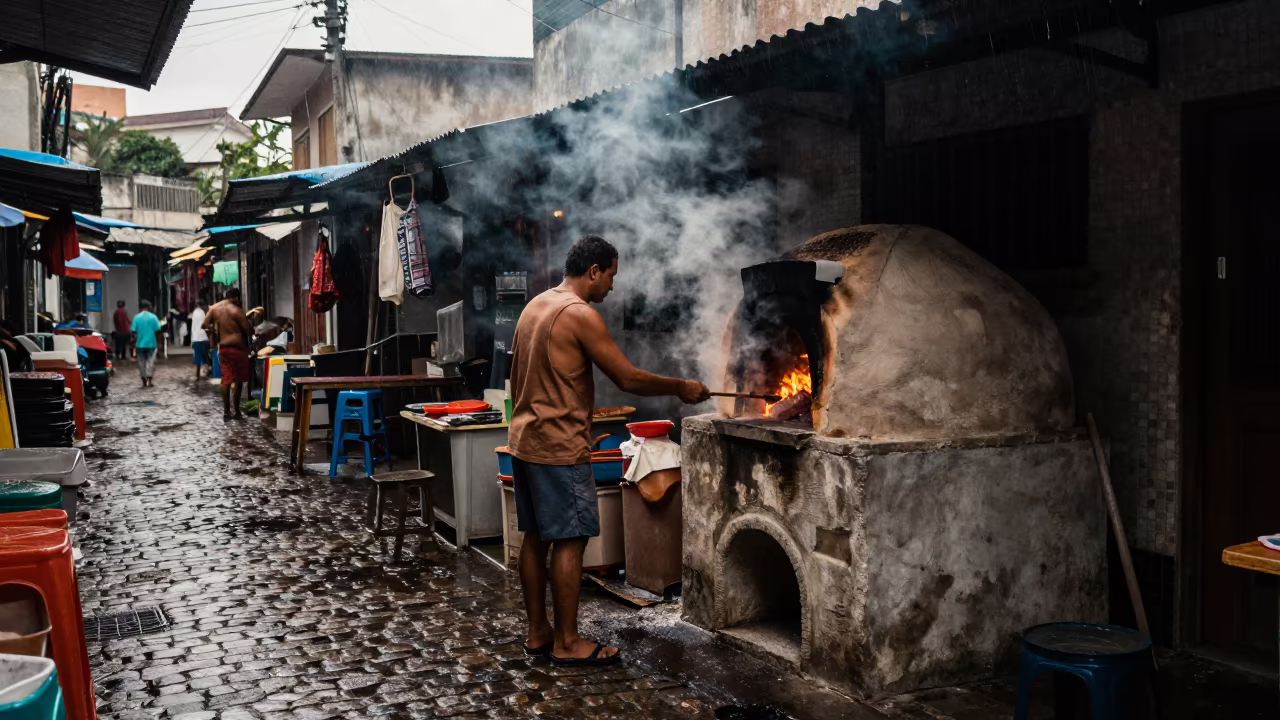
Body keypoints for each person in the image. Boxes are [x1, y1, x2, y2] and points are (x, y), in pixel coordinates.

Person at [507, 235, 711, 667]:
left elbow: (519, 377)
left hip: (525, 439)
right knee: (571, 538)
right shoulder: (579, 313)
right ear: (594, 271)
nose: (612, 287)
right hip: (559, 446)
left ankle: (539, 633)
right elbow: (627, 378)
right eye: (611, 276)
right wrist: (681, 387)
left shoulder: (536, 305)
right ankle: (567, 641)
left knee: (535, 537)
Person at [203, 288, 254, 420]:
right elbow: (249, 330)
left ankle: (226, 412)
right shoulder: (236, 311)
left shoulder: (214, 308)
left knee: (226, 379)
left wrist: (214, 330)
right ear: (236, 298)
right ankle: (236, 411)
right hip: (238, 348)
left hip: (224, 348)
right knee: (238, 380)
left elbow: (204, 325)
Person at [130, 300, 162, 387]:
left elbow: (133, 332)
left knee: (141, 363)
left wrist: (133, 343)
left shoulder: (136, 318)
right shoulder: (153, 317)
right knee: (151, 362)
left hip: (139, 344)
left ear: (140, 308)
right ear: (149, 307)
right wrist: (159, 343)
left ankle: (144, 381)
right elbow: (158, 331)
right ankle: (150, 380)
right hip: (151, 344)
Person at [190, 300, 210, 381]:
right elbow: (205, 325)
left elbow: (193, 327)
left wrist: (192, 340)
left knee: (197, 359)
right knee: (206, 357)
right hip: (203, 337)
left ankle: (197, 375)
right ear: (203, 306)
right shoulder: (203, 312)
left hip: (196, 338)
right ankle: (207, 373)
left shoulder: (194, 313)